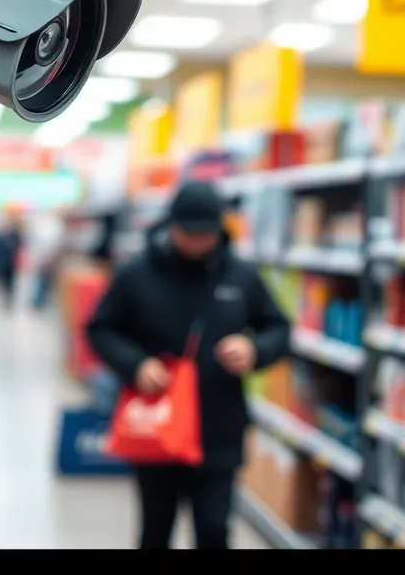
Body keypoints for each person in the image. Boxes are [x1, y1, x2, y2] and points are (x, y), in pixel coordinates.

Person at [86, 180, 291, 550]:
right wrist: (136, 364)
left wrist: (254, 349)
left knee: (214, 531)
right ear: (170, 226)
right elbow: (100, 329)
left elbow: (279, 327)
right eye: (189, 233)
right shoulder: (135, 274)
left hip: (219, 428)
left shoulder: (241, 276)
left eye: (207, 234)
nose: (198, 243)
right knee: (154, 533)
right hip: (155, 427)